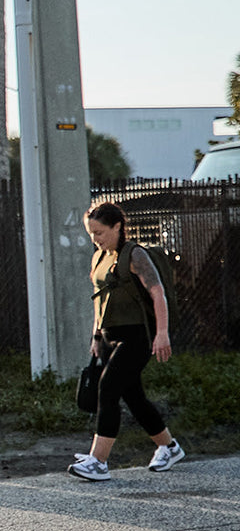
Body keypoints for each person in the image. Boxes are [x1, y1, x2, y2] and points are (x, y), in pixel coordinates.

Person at [68, 202, 184, 481]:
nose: (95, 238)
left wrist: (162, 333)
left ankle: (98, 462)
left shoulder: (135, 255)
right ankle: (169, 447)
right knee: (134, 397)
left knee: (107, 388)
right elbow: (100, 299)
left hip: (137, 336)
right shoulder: (99, 257)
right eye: (91, 233)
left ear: (117, 226)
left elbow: (158, 293)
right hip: (109, 337)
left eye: (100, 232)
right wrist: (96, 335)